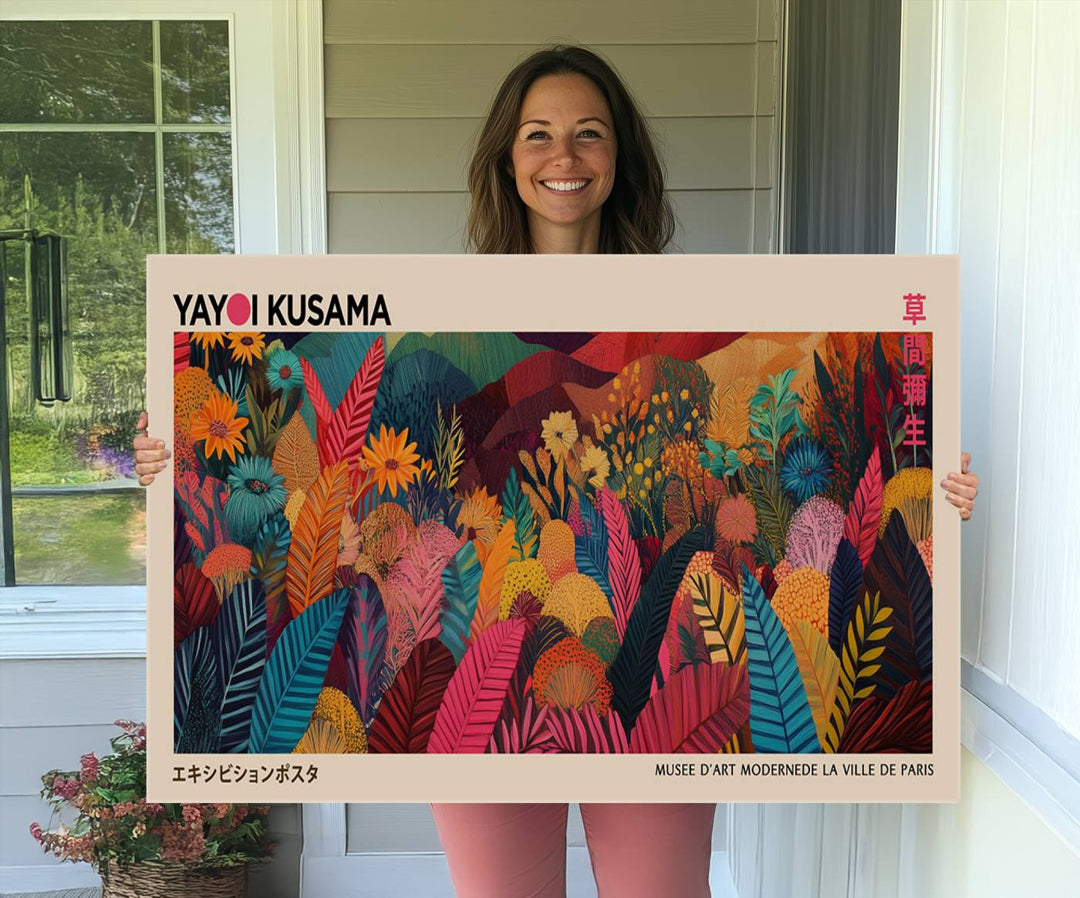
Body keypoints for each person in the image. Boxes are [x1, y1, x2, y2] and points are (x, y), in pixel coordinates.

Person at [134, 45, 979, 898]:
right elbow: (322, 461)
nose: (563, 157)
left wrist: (932, 491)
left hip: (654, 681)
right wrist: (177, 463)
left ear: (619, 159)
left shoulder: (699, 314)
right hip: (481, 675)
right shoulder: (433, 316)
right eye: (538, 135)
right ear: (508, 158)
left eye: (588, 134)